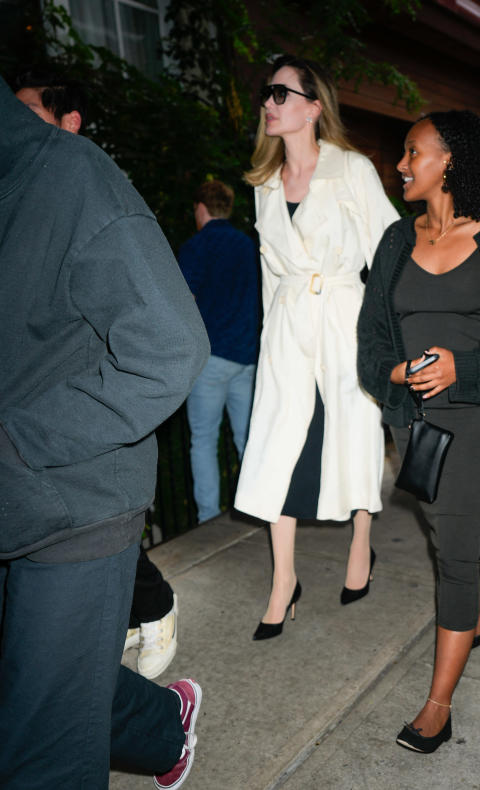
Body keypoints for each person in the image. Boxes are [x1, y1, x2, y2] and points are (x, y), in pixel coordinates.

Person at [0, 72, 210, 789]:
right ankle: (161, 726)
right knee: (31, 681)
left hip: (75, 503)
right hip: (13, 497)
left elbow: (172, 347)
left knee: (41, 754)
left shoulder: (74, 179)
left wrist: (19, 440)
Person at [357, 111, 480, 753]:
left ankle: (437, 709)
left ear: (451, 162)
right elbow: (371, 341)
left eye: (413, 151)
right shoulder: (393, 241)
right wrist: (396, 371)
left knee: (456, 554)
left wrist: (461, 368)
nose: (402, 163)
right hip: (416, 420)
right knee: (445, 529)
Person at [14, 67, 181, 681]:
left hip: (85, 437)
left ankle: (155, 607)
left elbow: (162, 341)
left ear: (69, 122)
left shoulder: (91, 187)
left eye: (27, 109)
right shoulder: (26, 196)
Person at [234, 54, 398, 639]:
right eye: (266, 95)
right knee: (279, 450)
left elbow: (390, 253)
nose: (269, 104)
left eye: (280, 94)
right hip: (288, 331)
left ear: (313, 105)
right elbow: (268, 275)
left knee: (354, 436)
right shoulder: (263, 184)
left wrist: (389, 337)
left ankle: (362, 542)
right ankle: (284, 582)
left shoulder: (351, 169)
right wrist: (267, 341)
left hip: (345, 322)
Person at [179, 180, 259, 524]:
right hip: (246, 356)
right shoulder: (248, 245)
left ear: (201, 207)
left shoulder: (196, 246)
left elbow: (183, 302)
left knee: (203, 440)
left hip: (211, 358)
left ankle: (209, 517)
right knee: (249, 439)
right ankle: (257, 507)